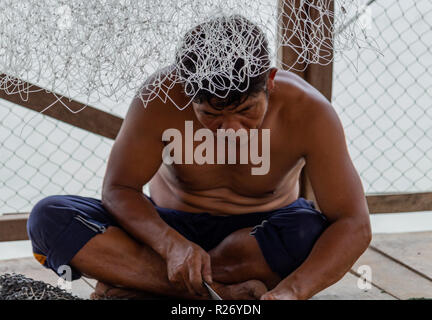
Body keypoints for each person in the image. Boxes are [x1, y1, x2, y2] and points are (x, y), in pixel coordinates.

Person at [27, 15, 371, 300]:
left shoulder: (310, 112)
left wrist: (293, 292)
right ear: (185, 88)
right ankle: (222, 293)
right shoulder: (159, 97)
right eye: (212, 116)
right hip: (168, 227)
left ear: (269, 80)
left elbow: (353, 223)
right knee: (49, 218)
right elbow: (119, 189)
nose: (231, 130)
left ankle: (137, 281)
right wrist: (170, 244)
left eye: (247, 111)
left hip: (259, 236)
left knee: (307, 232)